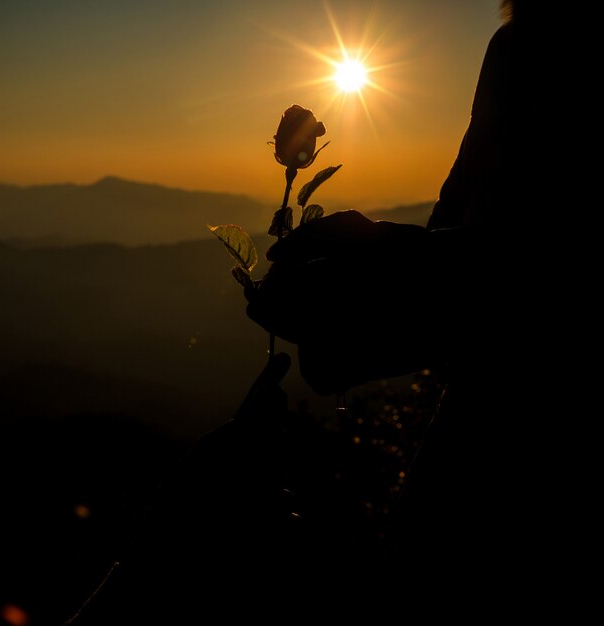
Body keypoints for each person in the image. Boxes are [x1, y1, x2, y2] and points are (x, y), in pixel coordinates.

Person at [244, 0, 587, 602]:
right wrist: (366, 310)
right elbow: (470, 242)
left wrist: (374, 273)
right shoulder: (513, 47)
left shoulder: (531, 49)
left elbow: (540, 273)